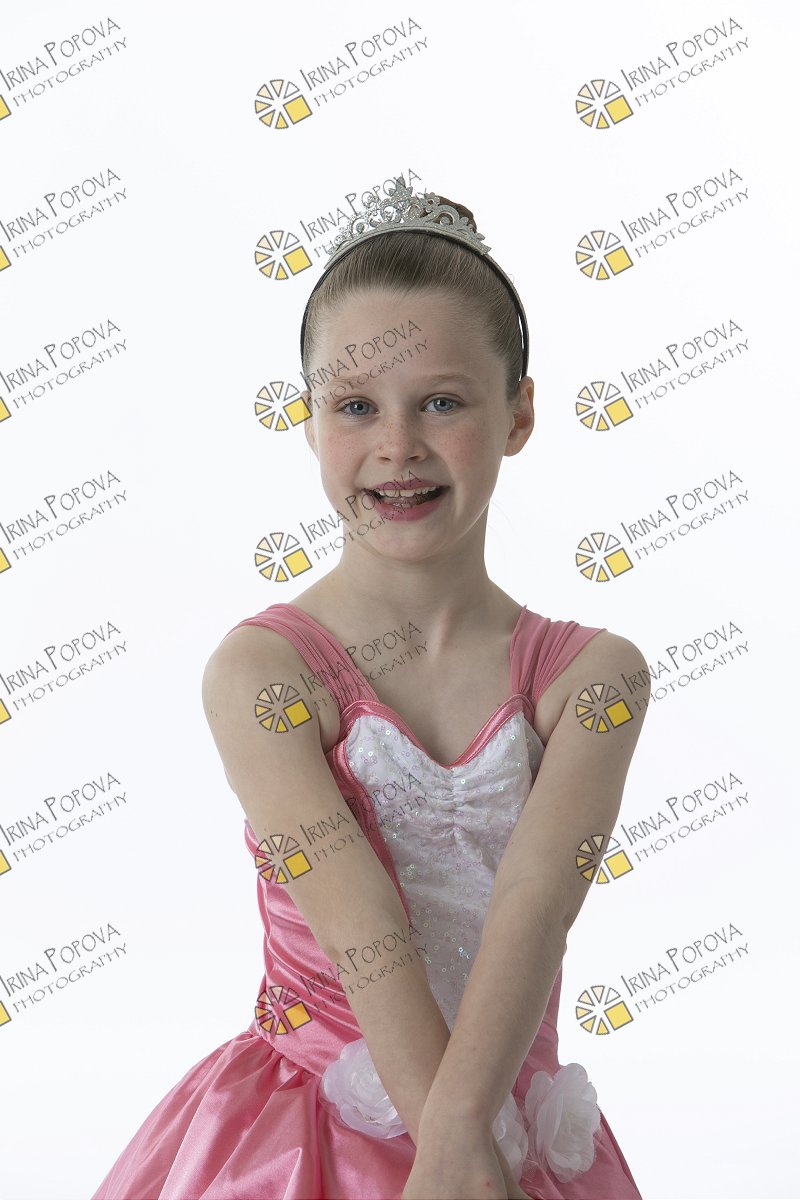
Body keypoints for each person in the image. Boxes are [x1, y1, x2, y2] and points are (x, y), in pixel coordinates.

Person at [91, 177, 650, 1200]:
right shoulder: (265, 673)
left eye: (442, 401)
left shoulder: (590, 679)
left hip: (507, 1131)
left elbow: (534, 907)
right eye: (355, 406)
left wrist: (468, 1139)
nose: (397, 446)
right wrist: (452, 1150)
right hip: (301, 1129)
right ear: (308, 421)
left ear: (519, 413)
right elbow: (363, 932)